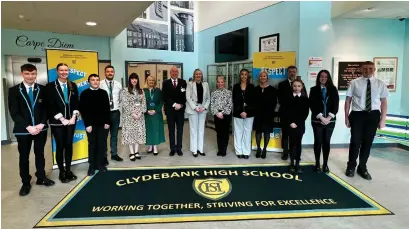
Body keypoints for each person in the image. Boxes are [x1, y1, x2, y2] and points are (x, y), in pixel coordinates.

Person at [8, 64, 55, 196]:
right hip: (23, 130)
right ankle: (26, 182)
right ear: (22, 74)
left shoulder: (42, 89)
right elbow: (14, 112)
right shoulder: (14, 90)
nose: (30, 76)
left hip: (40, 128)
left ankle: (41, 177)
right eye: (27, 74)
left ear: (36, 74)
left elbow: (47, 108)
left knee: (40, 154)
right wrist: (28, 127)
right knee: (24, 157)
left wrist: (41, 123)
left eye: (33, 74)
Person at [345, 61, 388, 180]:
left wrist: (382, 119)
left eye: (370, 68)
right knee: (355, 142)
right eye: (365, 68)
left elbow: (383, 102)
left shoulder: (380, 84)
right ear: (361, 69)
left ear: (374, 69)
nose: (367, 70)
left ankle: (362, 167)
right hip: (357, 115)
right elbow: (348, 100)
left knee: (367, 143)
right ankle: (351, 167)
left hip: (373, 115)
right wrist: (346, 117)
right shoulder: (354, 83)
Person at [45, 63, 79, 183]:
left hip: (71, 121)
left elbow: (76, 102)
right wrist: (62, 119)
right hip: (57, 122)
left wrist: (74, 116)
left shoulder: (72, 85)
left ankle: (68, 170)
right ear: (57, 71)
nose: (64, 72)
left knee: (69, 145)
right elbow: (50, 105)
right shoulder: (50, 87)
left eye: (66, 70)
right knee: (60, 146)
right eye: (61, 70)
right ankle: (61, 171)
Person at [79, 74, 111, 176]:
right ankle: (92, 166)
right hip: (91, 125)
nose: (95, 82)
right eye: (93, 80)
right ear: (89, 82)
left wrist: (107, 122)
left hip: (103, 124)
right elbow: (84, 111)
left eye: (97, 80)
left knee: (102, 144)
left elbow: (107, 108)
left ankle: (100, 164)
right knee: (92, 145)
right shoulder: (84, 94)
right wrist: (87, 124)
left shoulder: (104, 93)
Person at [309, 70, 339, 173]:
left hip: (330, 121)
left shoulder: (333, 89)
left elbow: (336, 105)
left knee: (326, 142)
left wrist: (328, 118)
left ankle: (325, 164)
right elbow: (312, 105)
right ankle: (317, 164)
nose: (323, 78)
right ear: (318, 78)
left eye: (326, 76)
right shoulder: (313, 89)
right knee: (318, 142)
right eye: (321, 76)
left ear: (328, 78)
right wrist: (321, 118)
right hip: (317, 121)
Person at [284, 78, 309, 173]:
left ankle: (297, 163)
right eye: (294, 86)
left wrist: (297, 123)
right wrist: (291, 122)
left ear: (302, 87)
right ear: (292, 86)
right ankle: (291, 163)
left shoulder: (305, 99)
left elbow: (305, 113)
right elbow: (285, 111)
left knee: (298, 143)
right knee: (292, 143)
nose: (296, 88)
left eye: (299, 86)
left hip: (300, 125)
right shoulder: (287, 98)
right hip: (290, 124)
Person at [99, 65, 123, 164]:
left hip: (115, 113)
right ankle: (104, 156)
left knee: (114, 135)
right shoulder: (100, 84)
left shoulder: (118, 84)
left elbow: (120, 98)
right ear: (105, 73)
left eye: (111, 71)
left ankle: (114, 154)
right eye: (108, 71)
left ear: (114, 73)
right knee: (104, 136)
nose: (110, 73)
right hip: (104, 114)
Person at [121, 73, 147, 161]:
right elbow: (125, 104)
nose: (134, 80)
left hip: (140, 116)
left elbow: (144, 102)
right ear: (129, 80)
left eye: (135, 78)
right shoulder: (125, 91)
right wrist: (132, 113)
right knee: (130, 134)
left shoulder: (141, 90)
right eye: (132, 78)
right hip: (129, 117)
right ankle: (131, 152)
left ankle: (136, 152)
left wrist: (141, 112)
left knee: (138, 134)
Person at [162, 66, 187, 156]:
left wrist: (180, 105)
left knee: (180, 130)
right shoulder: (165, 83)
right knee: (171, 130)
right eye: (173, 71)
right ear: (170, 73)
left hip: (180, 110)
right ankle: (172, 149)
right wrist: (174, 104)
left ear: (178, 73)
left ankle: (179, 148)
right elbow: (165, 97)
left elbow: (184, 96)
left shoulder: (183, 82)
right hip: (170, 111)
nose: (174, 73)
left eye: (176, 71)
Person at [186, 69, 210, 157]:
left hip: (202, 110)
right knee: (194, 130)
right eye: (196, 74)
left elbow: (208, 98)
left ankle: (200, 149)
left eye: (200, 74)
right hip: (193, 109)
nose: (198, 75)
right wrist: (195, 107)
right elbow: (188, 97)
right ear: (194, 75)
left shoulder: (205, 84)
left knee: (201, 130)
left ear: (202, 75)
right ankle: (194, 150)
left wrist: (204, 107)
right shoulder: (189, 84)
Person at [253, 70, 278, 159]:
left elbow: (274, 103)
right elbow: (253, 102)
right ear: (259, 78)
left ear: (267, 77)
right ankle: (259, 148)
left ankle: (264, 149)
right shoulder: (255, 89)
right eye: (261, 76)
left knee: (267, 132)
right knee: (258, 131)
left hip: (268, 114)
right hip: (258, 114)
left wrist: (270, 111)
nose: (262, 77)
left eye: (264, 76)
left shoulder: (273, 89)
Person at [232, 68, 255, 159]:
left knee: (247, 132)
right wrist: (241, 111)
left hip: (249, 114)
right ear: (240, 76)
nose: (244, 76)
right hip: (238, 113)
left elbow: (253, 101)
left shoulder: (252, 87)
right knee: (238, 132)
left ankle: (246, 151)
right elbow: (234, 100)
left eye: (246, 74)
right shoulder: (236, 86)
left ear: (248, 76)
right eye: (242, 74)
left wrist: (246, 111)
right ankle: (239, 151)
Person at [278, 65, 298, 160]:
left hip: (296, 115)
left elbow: (303, 98)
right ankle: (285, 152)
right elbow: (280, 99)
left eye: (294, 71)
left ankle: (294, 153)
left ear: (296, 73)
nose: (292, 73)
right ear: (287, 73)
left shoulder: (300, 84)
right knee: (285, 134)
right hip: (285, 113)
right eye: (290, 71)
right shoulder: (282, 84)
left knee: (295, 134)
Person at [210, 76, 232, 157]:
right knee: (219, 133)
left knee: (225, 133)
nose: (220, 84)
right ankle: (220, 149)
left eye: (221, 82)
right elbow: (212, 104)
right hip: (217, 115)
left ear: (224, 83)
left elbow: (229, 104)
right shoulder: (213, 93)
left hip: (226, 115)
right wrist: (217, 113)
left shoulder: (229, 92)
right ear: (217, 83)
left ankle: (224, 149)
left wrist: (222, 113)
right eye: (218, 82)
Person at [144, 75, 165, 155]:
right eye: (150, 80)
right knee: (148, 130)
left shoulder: (158, 90)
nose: (151, 82)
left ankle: (155, 146)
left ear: (154, 82)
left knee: (156, 129)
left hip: (156, 113)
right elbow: (142, 102)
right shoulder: (143, 91)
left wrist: (156, 110)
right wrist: (146, 110)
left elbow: (161, 101)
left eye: (153, 80)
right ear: (147, 81)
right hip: (147, 114)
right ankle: (149, 146)